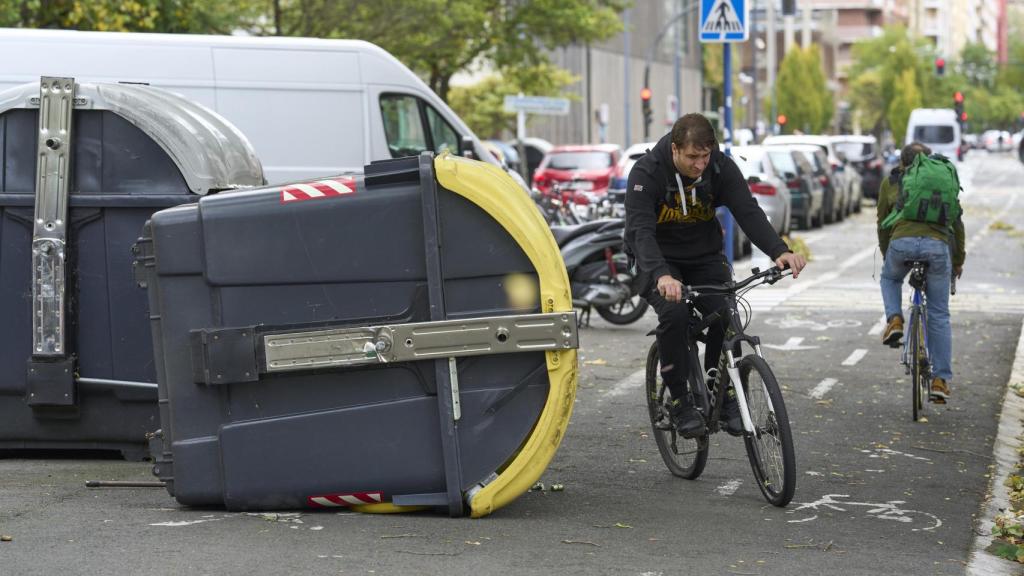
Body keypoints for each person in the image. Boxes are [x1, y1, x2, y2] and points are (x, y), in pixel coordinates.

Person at [624, 114, 806, 438]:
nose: (700, 165)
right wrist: (663, 276)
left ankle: (723, 392)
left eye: (705, 156)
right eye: (693, 157)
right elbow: (640, 232)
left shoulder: (719, 167)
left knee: (725, 310)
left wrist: (779, 250)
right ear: (675, 149)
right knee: (675, 314)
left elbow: (747, 210)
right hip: (659, 260)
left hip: (704, 256)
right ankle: (680, 399)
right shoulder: (647, 173)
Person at [877, 142, 965, 403]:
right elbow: (956, 224)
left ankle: (894, 319)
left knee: (889, 278)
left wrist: (887, 254)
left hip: (901, 244)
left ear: (902, 162)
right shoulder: (941, 179)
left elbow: (883, 223)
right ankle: (940, 379)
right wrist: (958, 260)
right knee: (938, 313)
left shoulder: (891, 181)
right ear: (929, 161)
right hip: (937, 248)